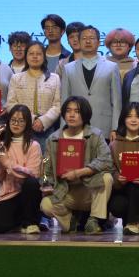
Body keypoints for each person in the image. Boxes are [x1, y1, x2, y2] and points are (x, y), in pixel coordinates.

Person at [40, 97, 114, 235]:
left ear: (85, 115)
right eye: (68, 111)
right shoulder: (53, 139)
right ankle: (70, 222)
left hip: (88, 189)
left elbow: (107, 160)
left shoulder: (95, 135)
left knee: (107, 178)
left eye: (77, 111)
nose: (72, 115)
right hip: (64, 191)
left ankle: (94, 220)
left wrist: (79, 172)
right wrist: (46, 184)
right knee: (45, 205)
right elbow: (46, 169)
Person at [60, 25, 122, 139]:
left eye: (92, 38)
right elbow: (65, 101)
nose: (88, 41)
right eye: (84, 38)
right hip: (75, 128)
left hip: (104, 127)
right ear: (79, 42)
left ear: (98, 42)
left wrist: (115, 128)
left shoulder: (112, 67)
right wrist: (63, 128)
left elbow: (116, 101)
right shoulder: (68, 68)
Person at [0, 104, 43, 234]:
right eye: (13, 120)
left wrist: (7, 163)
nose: (16, 124)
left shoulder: (34, 146)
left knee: (31, 183)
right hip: (8, 194)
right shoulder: (2, 144)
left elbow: (33, 174)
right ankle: (20, 222)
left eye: (21, 121)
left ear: (27, 123)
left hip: (27, 194)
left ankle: (30, 222)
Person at [109, 103, 139, 235]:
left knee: (136, 183)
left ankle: (133, 223)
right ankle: (132, 222)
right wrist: (117, 177)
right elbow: (110, 169)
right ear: (123, 119)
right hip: (123, 190)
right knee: (118, 204)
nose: (133, 120)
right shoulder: (114, 145)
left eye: (137, 117)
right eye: (129, 116)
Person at [6, 41, 62, 150]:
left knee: (46, 159)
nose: (35, 57)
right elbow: (11, 104)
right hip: (21, 128)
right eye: (31, 53)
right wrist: (31, 119)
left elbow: (57, 105)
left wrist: (43, 121)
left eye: (39, 54)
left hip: (47, 129)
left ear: (44, 57)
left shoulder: (54, 78)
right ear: (26, 56)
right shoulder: (16, 78)